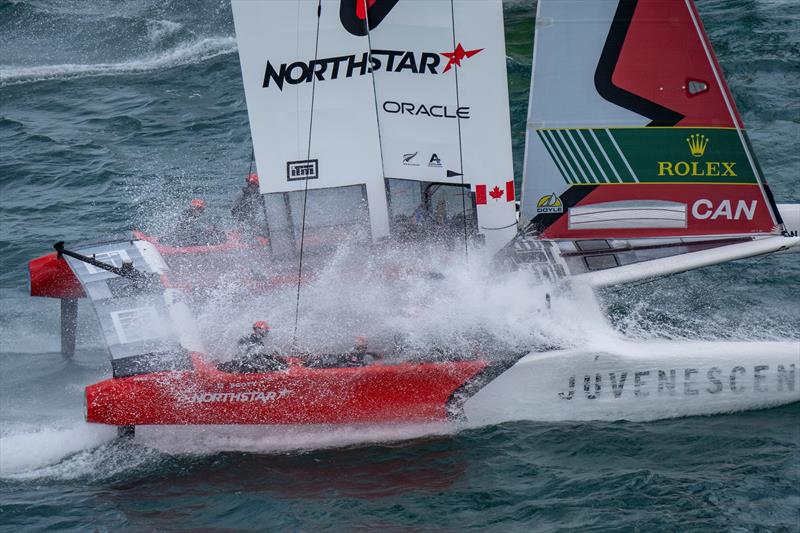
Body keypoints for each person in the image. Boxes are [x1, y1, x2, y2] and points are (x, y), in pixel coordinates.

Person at [217, 321, 287, 373]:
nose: (265, 333)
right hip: (248, 363)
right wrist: (270, 357)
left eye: (266, 331)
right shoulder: (255, 339)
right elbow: (253, 355)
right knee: (277, 364)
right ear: (257, 329)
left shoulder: (249, 337)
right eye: (264, 330)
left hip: (243, 360)